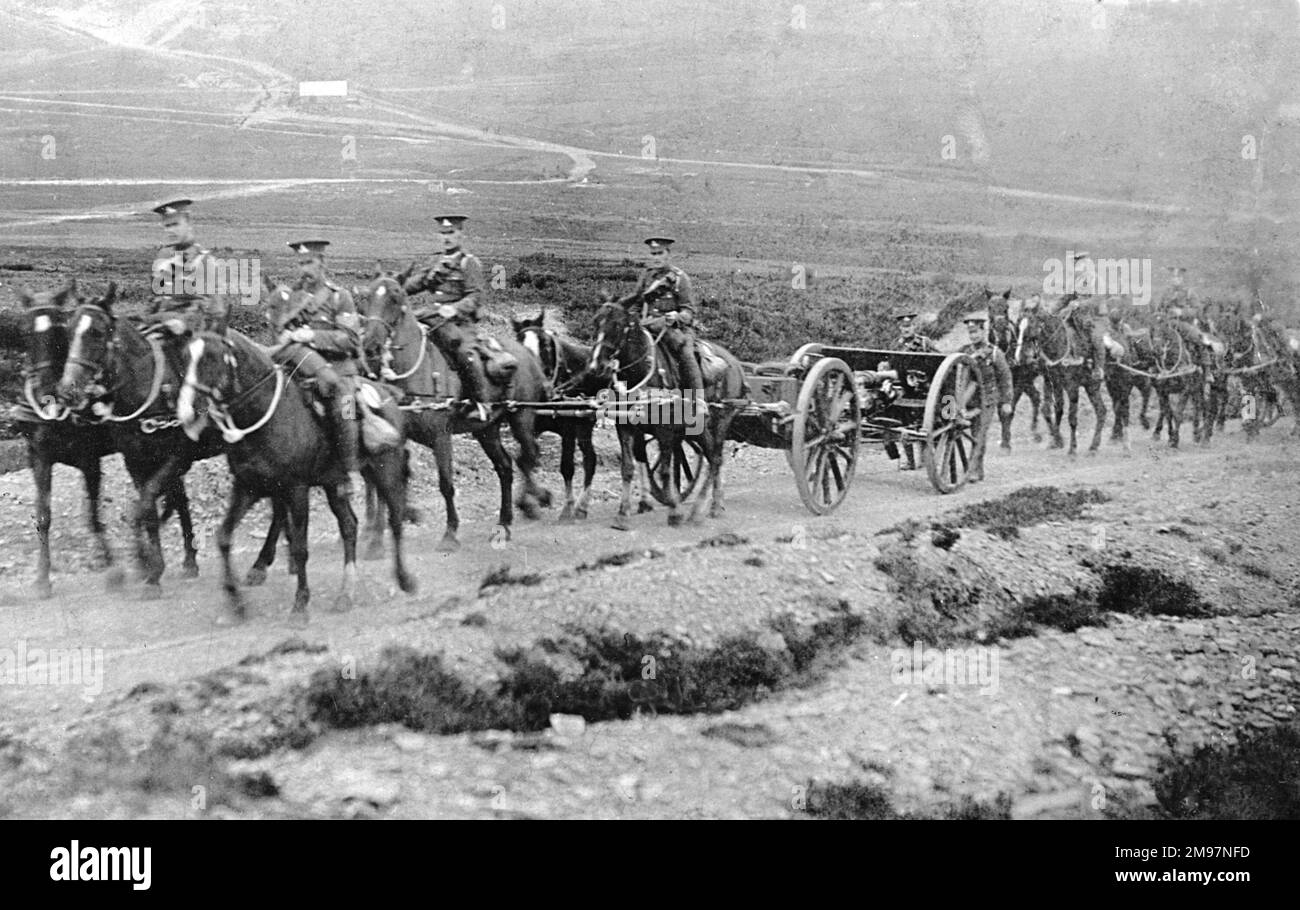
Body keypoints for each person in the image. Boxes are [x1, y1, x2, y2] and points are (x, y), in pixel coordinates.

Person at [272, 240, 364, 497]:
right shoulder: (295, 296)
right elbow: (281, 330)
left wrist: (310, 335)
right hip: (301, 366)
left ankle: (350, 472)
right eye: (300, 263)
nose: (304, 269)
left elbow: (350, 339)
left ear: (322, 263)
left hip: (339, 370)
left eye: (309, 262)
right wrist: (287, 336)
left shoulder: (339, 296)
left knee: (345, 407)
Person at [402, 214, 490, 421]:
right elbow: (415, 284)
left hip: (458, 323)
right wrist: (392, 288)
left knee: (464, 353)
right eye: (443, 233)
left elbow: (476, 295)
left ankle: (481, 403)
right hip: (431, 319)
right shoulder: (435, 262)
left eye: (451, 233)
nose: (446, 238)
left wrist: (455, 308)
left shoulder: (469, 263)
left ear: (461, 234)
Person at [143, 199, 230, 373]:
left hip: (188, 338)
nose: (170, 230)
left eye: (175, 224)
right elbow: (153, 300)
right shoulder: (162, 258)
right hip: (158, 328)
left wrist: (182, 323)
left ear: (189, 223)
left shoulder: (205, 261)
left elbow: (212, 310)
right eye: (167, 226)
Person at [618, 237, 705, 399]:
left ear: (668, 254)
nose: (656, 257)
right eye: (653, 254)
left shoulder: (680, 278)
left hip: (674, 329)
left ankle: (699, 400)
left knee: (686, 353)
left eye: (660, 253)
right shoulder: (646, 276)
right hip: (648, 326)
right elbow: (637, 304)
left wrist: (677, 316)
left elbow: (689, 311)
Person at [958, 311, 1014, 483]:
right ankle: (977, 470)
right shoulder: (964, 351)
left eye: (976, 332)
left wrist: (1006, 402)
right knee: (951, 424)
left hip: (986, 400)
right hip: (965, 399)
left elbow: (1005, 378)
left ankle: (973, 470)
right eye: (970, 332)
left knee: (979, 435)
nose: (973, 335)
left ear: (983, 331)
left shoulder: (995, 353)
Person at [891, 307, 936, 471]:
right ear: (899, 328)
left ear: (914, 327)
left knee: (925, 423)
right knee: (905, 425)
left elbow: (938, 362)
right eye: (903, 327)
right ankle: (910, 461)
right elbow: (891, 363)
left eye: (909, 326)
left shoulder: (924, 343)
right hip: (903, 389)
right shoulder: (896, 345)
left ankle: (925, 459)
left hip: (924, 390)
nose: (906, 329)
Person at [1054, 251, 1107, 380]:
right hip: (1076, 318)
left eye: (1079, 261)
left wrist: (1080, 304)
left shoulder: (1097, 280)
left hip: (1095, 318)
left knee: (1096, 338)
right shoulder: (1075, 281)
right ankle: (1070, 357)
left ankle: (1098, 368)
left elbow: (1097, 299)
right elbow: (1065, 298)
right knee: (1065, 332)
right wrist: (1052, 310)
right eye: (1076, 262)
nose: (1077, 265)